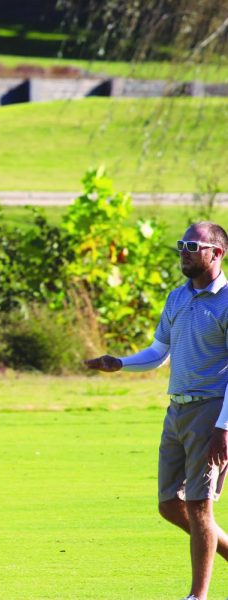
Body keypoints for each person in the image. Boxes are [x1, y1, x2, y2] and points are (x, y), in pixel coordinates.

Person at [85, 221, 228, 600]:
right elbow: (158, 353)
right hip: (177, 410)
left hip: (211, 412)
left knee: (199, 505)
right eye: (182, 244)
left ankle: (198, 596)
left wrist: (224, 427)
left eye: (193, 245)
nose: (184, 250)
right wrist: (120, 362)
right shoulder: (176, 298)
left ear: (217, 253)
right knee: (169, 504)